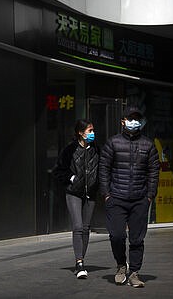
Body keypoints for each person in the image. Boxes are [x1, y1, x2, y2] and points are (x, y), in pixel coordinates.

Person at [99, 106, 160, 288]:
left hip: (140, 199)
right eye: (130, 119)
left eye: (137, 119)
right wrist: (106, 195)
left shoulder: (148, 144)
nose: (134, 122)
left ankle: (134, 272)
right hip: (116, 197)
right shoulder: (113, 143)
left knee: (137, 239)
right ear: (123, 121)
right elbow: (104, 169)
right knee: (117, 235)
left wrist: (149, 195)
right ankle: (120, 265)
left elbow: (154, 171)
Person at [52, 119, 99, 279]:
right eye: (89, 131)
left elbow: (102, 169)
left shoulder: (96, 149)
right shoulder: (69, 150)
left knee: (86, 228)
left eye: (93, 130)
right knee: (78, 226)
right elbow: (58, 170)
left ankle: (81, 259)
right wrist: (72, 178)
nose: (92, 133)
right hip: (74, 193)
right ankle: (79, 263)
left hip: (90, 194)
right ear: (80, 132)